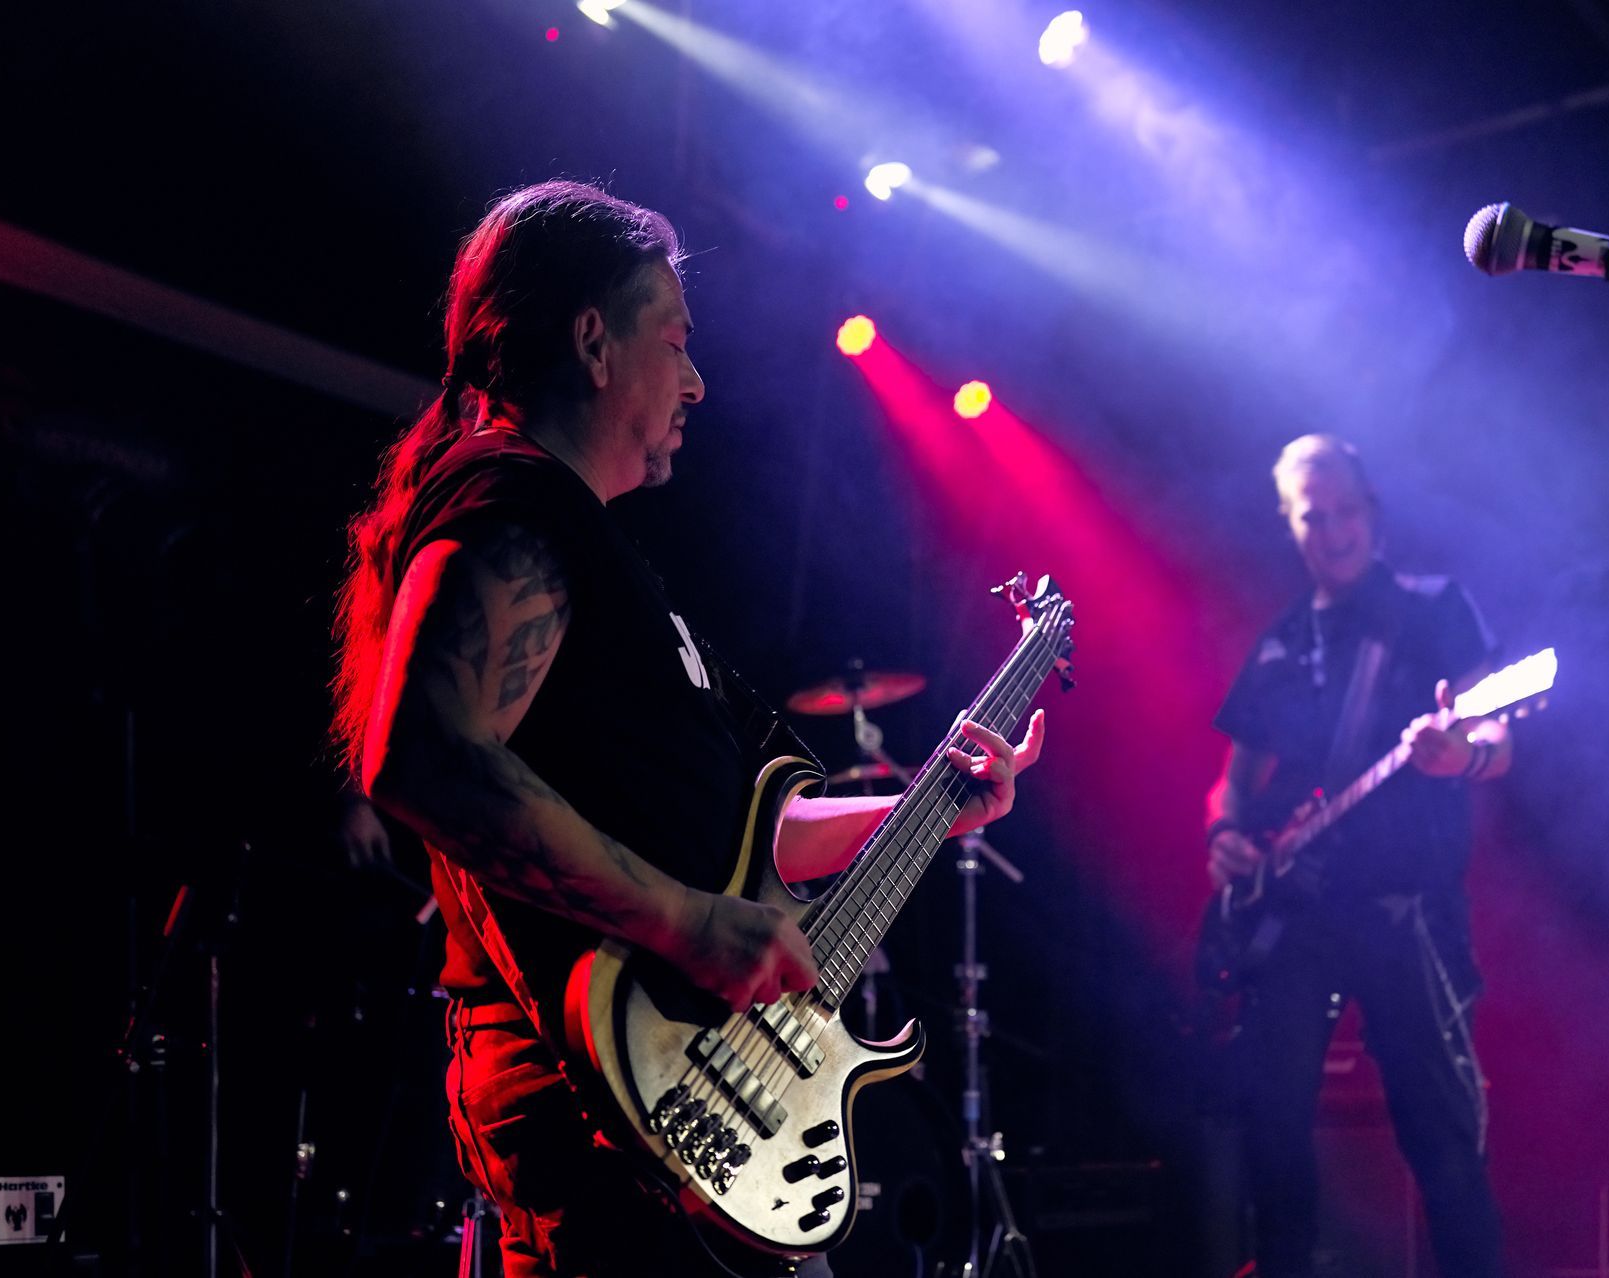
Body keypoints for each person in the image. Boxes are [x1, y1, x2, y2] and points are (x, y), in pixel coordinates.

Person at [329, 180, 1046, 1277]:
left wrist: (924, 805)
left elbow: (749, 835)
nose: (697, 381)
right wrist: (683, 924)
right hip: (603, 1113)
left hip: (674, 1110)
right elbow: (421, 756)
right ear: (594, 343)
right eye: (675, 340)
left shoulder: (610, 564)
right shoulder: (513, 504)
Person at [1204, 433, 1510, 1278]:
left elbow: (1497, 732)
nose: (1332, 531)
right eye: (1313, 517)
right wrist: (1223, 839)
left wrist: (1466, 754)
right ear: (1290, 525)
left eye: (1345, 512)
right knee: (1271, 1129)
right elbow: (1231, 783)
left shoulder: (1433, 607)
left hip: (1405, 909)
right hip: (1295, 914)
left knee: (1440, 1139)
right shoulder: (1276, 641)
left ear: (1373, 514)